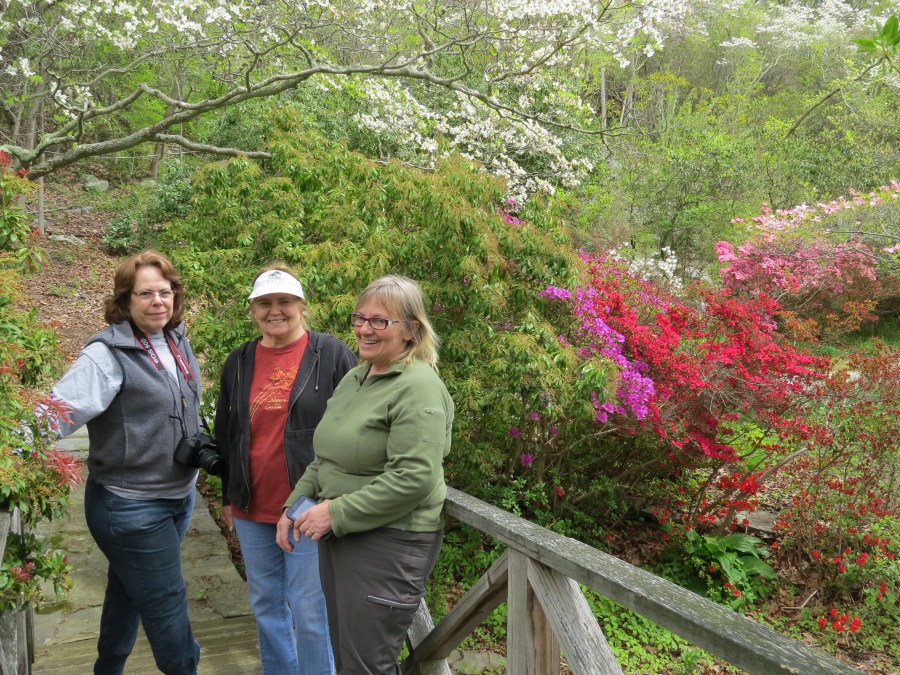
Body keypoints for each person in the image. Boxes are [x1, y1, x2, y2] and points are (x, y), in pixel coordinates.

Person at [276, 274, 455, 675]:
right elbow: (325, 457)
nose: (364, 329)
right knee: (346, 656)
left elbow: (415, 477)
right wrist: (295, 506)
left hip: (390, 542)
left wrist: (333, 513)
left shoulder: (418, 386)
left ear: (412, 330)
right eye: (360, 318)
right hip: (344, 537)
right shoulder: (358, 377)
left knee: (366, 665)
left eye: (380, 321)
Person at [46, 250, 203, 674]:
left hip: (177, 495)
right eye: (145, 293)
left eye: (165, 292)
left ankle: (108, 668)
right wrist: (12, 450)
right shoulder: (106, 355)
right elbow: (55, 413)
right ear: (125, 301)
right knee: (167, 602)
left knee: (129, 590)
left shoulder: (175, 339)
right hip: (130, 505)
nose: (158, 301)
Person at [215, 264, 357, 675]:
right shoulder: (239, 360)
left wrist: (338, 497)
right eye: (264, 303)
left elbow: (357, 423)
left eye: (284, 302)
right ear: (253, 310)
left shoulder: (330, 354)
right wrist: (229, 495)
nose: (274, 311)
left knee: (310, 612)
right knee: (266, 607)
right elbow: (228, 432)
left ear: (301, 306)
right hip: (251, 504)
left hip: (309, 505)